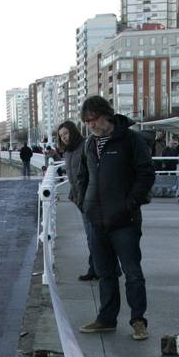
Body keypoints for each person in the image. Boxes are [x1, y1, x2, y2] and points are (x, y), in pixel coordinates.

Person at [73, 95, 155, 341]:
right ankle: (106, 319)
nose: (91, 125)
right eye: (87, 122)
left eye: (94, 119)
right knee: (105, 273)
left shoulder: (130, 140)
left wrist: (130, 203)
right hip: (95, 219)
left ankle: (138, 320)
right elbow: (83, 177)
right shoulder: (89, 144)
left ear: (106, 114)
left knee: (132, 272)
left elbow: (146, 173)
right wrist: (83, 203)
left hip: (124, 220)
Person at [55, 120, 98, 283]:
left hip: (89, 197)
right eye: (61, 136)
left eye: (65, 133)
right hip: (79, 198)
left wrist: (89, 196)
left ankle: (95, 269)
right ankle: (105, 268)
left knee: (93, 236)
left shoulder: (85, 146)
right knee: (93, 236)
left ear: (73, 131)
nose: (64, 137)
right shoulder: (67, 151)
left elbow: (92, 172)